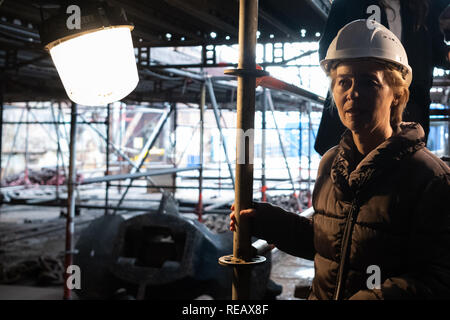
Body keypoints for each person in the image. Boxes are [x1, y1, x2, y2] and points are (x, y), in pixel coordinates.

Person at [230, 20, 450, 300]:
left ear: (396, 95)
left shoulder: (429, 178)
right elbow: (332, 243)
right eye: (343, 82)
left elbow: (441, 278)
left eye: (369, 82)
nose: (353, 93)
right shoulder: (332, 162)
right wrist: (270, 222)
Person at [314, 0, 450, 156]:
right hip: (361, 108)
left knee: (404, 167)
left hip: (410, 106)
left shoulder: (422, 8)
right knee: (348, 162)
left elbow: (438, 51)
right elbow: (329, 52)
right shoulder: (349, 3)